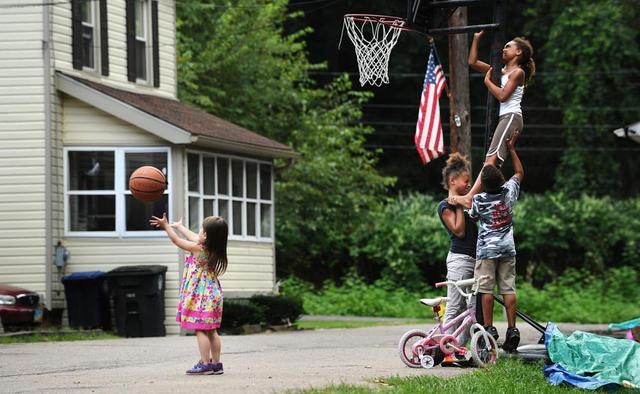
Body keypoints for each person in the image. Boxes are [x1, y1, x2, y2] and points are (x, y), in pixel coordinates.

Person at [456, 31, 535, 208]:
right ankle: (487, 201)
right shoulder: (500, 72)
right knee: (492, 162)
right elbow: (472, 62)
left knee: (491, 160)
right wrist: (476, 39)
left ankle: (470, 197)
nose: (504, 49)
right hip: (506, 118)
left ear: (518, 52)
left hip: (511, 117)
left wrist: (487, 83)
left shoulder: (518, 72)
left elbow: (502, 96)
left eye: (508, 46)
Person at [464, 135, 524, 352]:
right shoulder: (509, 192)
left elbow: (471, 215)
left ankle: (489, 328)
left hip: (487, 251)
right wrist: (512, 149)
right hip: (507, 249)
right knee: (508, 288)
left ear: (484, 185)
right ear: (501, 180)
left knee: (486, 290)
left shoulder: (479, 200)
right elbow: (519, 173)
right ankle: (512, 329)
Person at [150, 214, 228, 375]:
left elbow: (177, 242)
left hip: (201, 296)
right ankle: (216, 363)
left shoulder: (199, 249)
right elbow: (193, 237)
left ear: (206, 236)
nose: (199, 233)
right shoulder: (214, 248)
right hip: (213, 295)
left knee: (200, 330)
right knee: (212, 330)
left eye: (202, 231)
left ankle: (205, 364)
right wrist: (179, 227)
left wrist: (167, 228)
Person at [437, 153, 478, 363]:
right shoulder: (445, 206)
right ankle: (447, 351)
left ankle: (458, 350)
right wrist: (460, 204)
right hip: (459, 260)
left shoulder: (466, 203)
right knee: (454, 306)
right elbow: (459, 231)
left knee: (472, 308)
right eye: (466, 180)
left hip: (474, 260)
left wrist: (465, 202)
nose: (469, 184)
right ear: (453, 181)